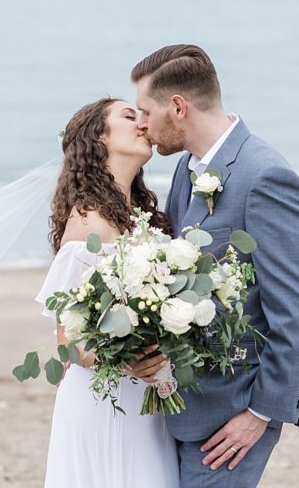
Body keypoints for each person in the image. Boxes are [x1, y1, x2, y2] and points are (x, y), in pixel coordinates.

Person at [131, 44, 299, 488]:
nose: (140, 124)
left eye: (144, 111)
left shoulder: (265, 177)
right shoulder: (187, 169)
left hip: (231, 419)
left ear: (177, 107)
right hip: (181, 406)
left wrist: (262, 414)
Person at [36, 97, 179, 488]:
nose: (143, 123)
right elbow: (67, 343)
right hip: (104, 400)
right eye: (129, 116)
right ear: (100, 137)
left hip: (146, 400)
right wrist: (129, 360)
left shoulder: (144, 217)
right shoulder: (89, 222)